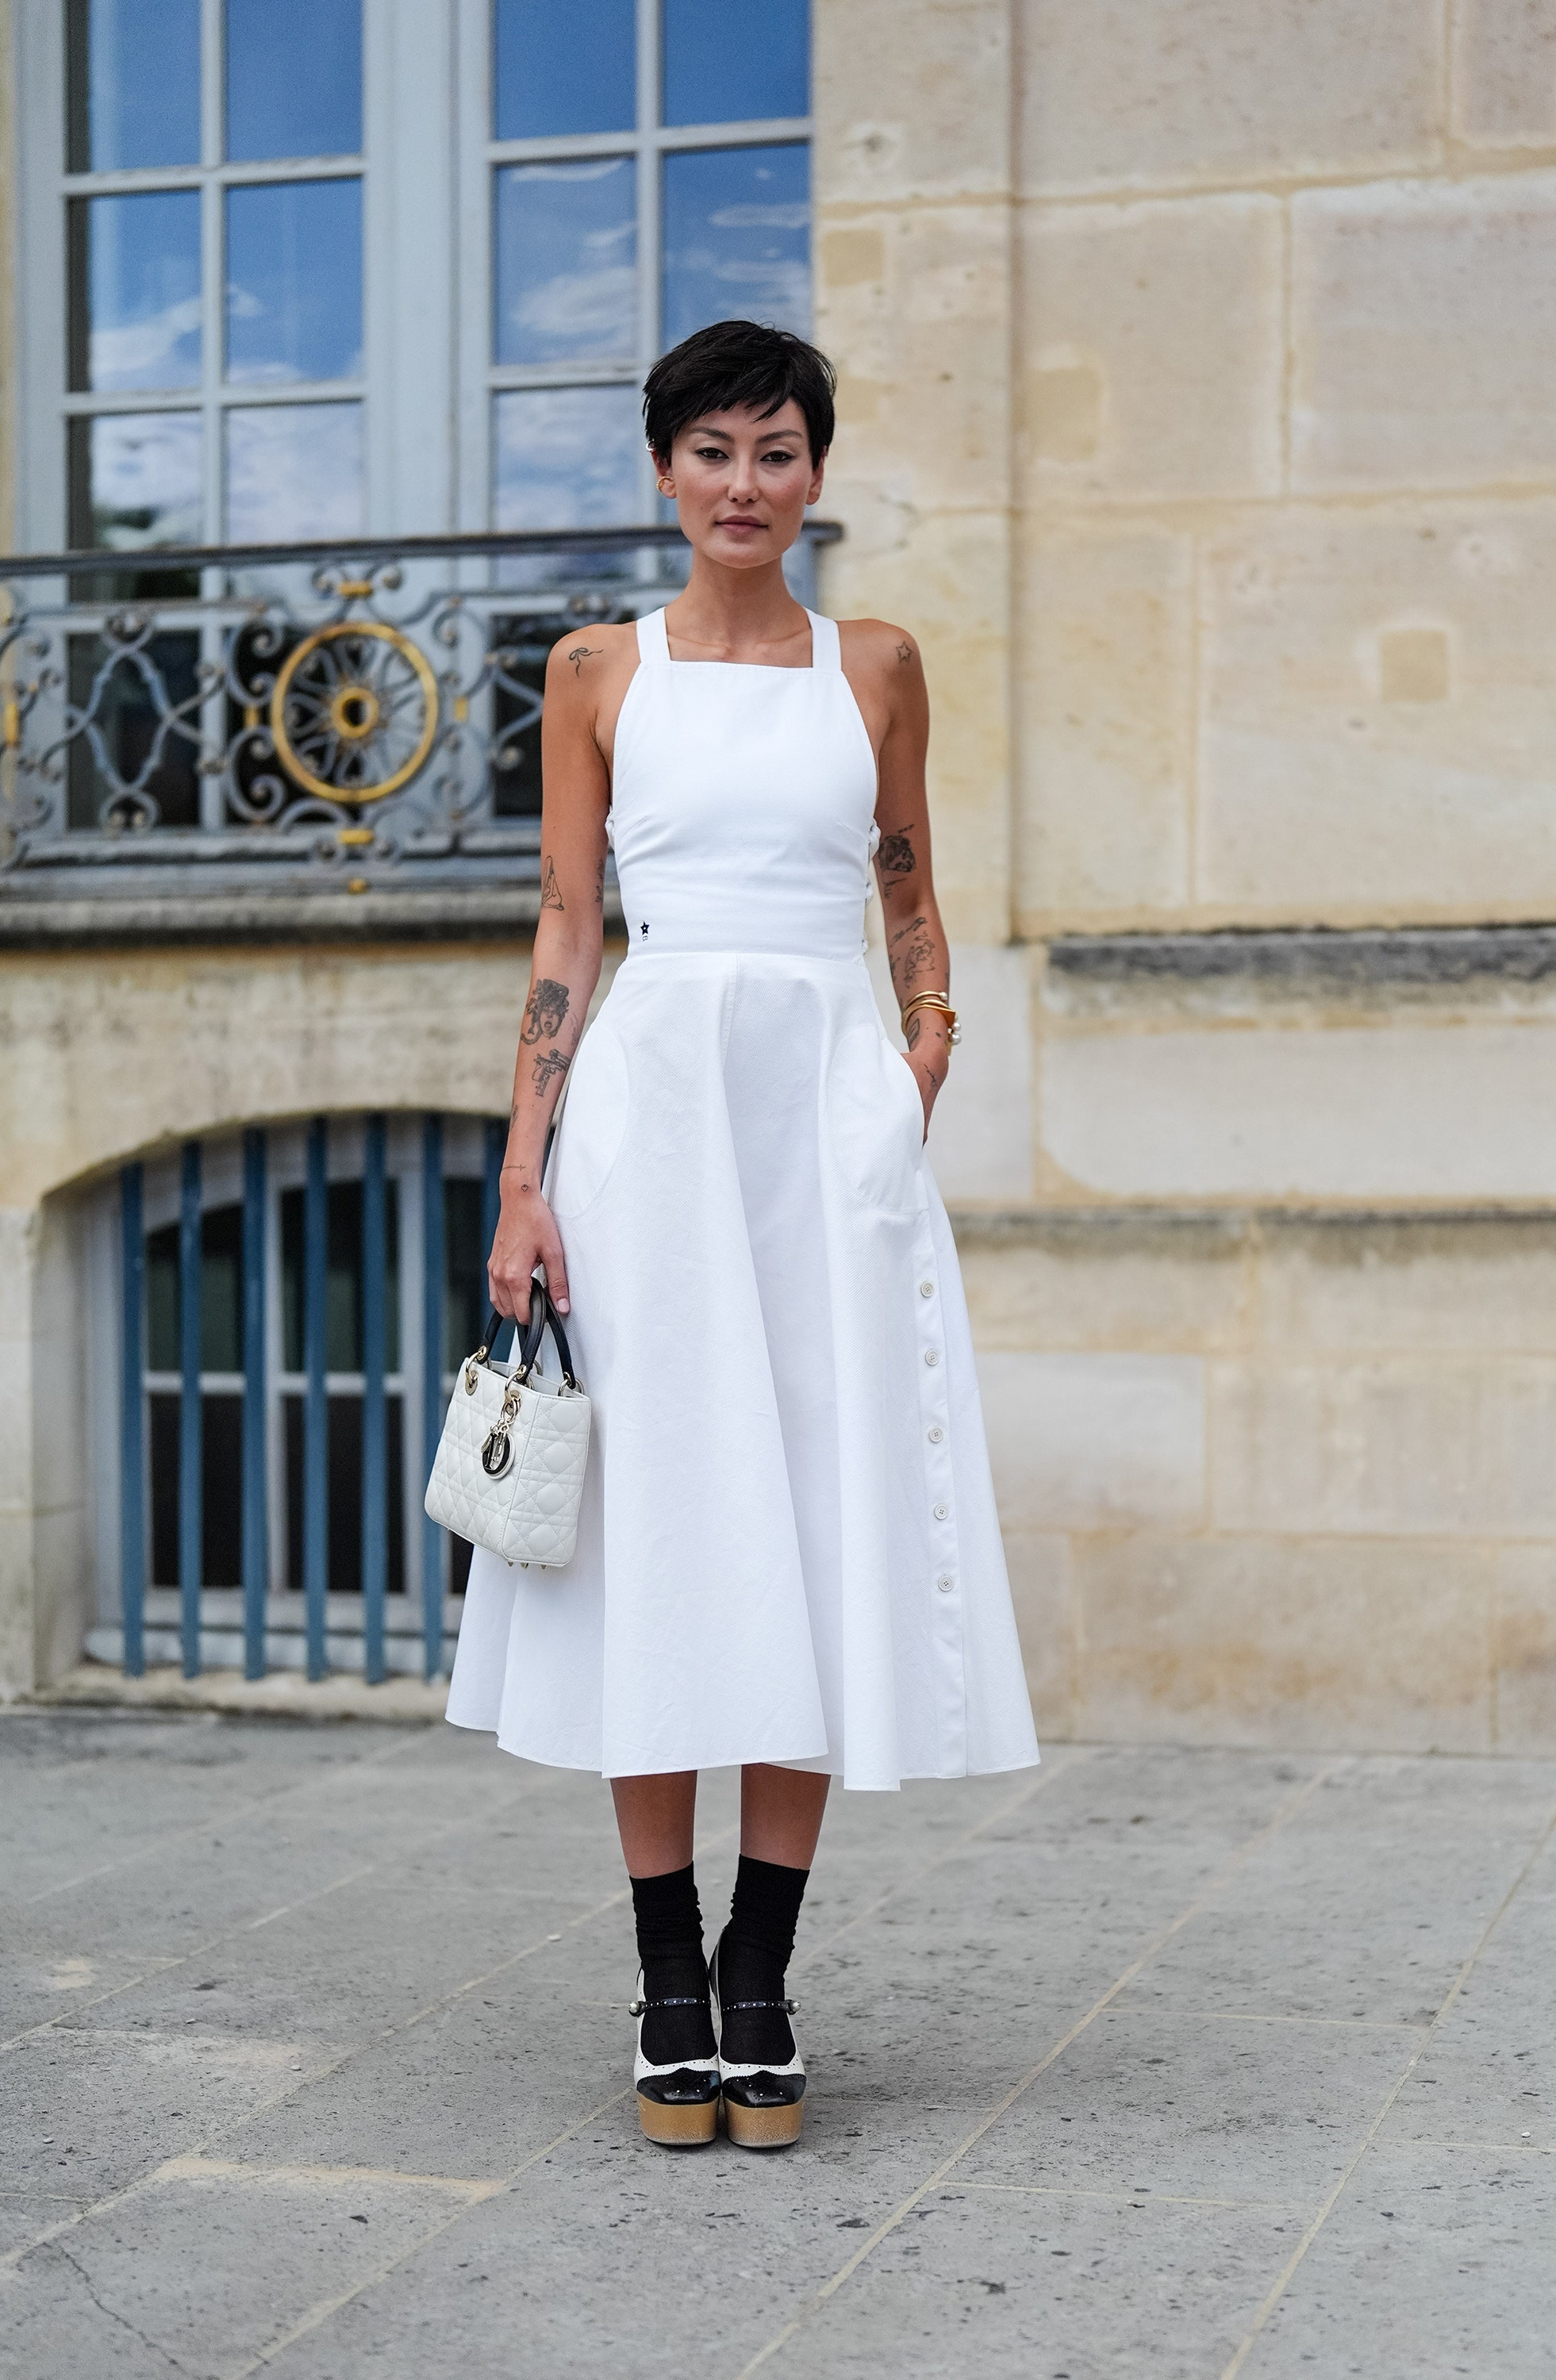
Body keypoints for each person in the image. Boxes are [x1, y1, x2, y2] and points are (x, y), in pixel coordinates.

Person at [446, 318, 1038, 2151]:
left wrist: (916, 1063)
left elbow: (912, 897)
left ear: (815, 471)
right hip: (646, 1128)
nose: (743, 484)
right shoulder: (595, 671)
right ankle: (664, 1976)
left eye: (775, 451)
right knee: (661, 1535)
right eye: (710, 452)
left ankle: (762, 1976)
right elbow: (567, 928)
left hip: (827, 1140)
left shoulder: (875, 667)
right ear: (660, 469)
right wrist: (524, 1174)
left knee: (818, 1514)